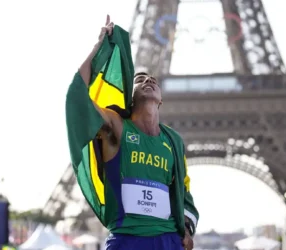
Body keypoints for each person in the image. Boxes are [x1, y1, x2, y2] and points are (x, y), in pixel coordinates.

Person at [76, 15, 199, 250]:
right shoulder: (116, 127)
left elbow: (183, 189)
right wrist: (98, 47)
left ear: (161, 101)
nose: (149, 80)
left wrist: (186, 228)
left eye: (153, 80)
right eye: (140, 79)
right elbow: (80, 98)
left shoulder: (173, 141)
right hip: (127, 240)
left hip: (168, 240)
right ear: (129, 96)